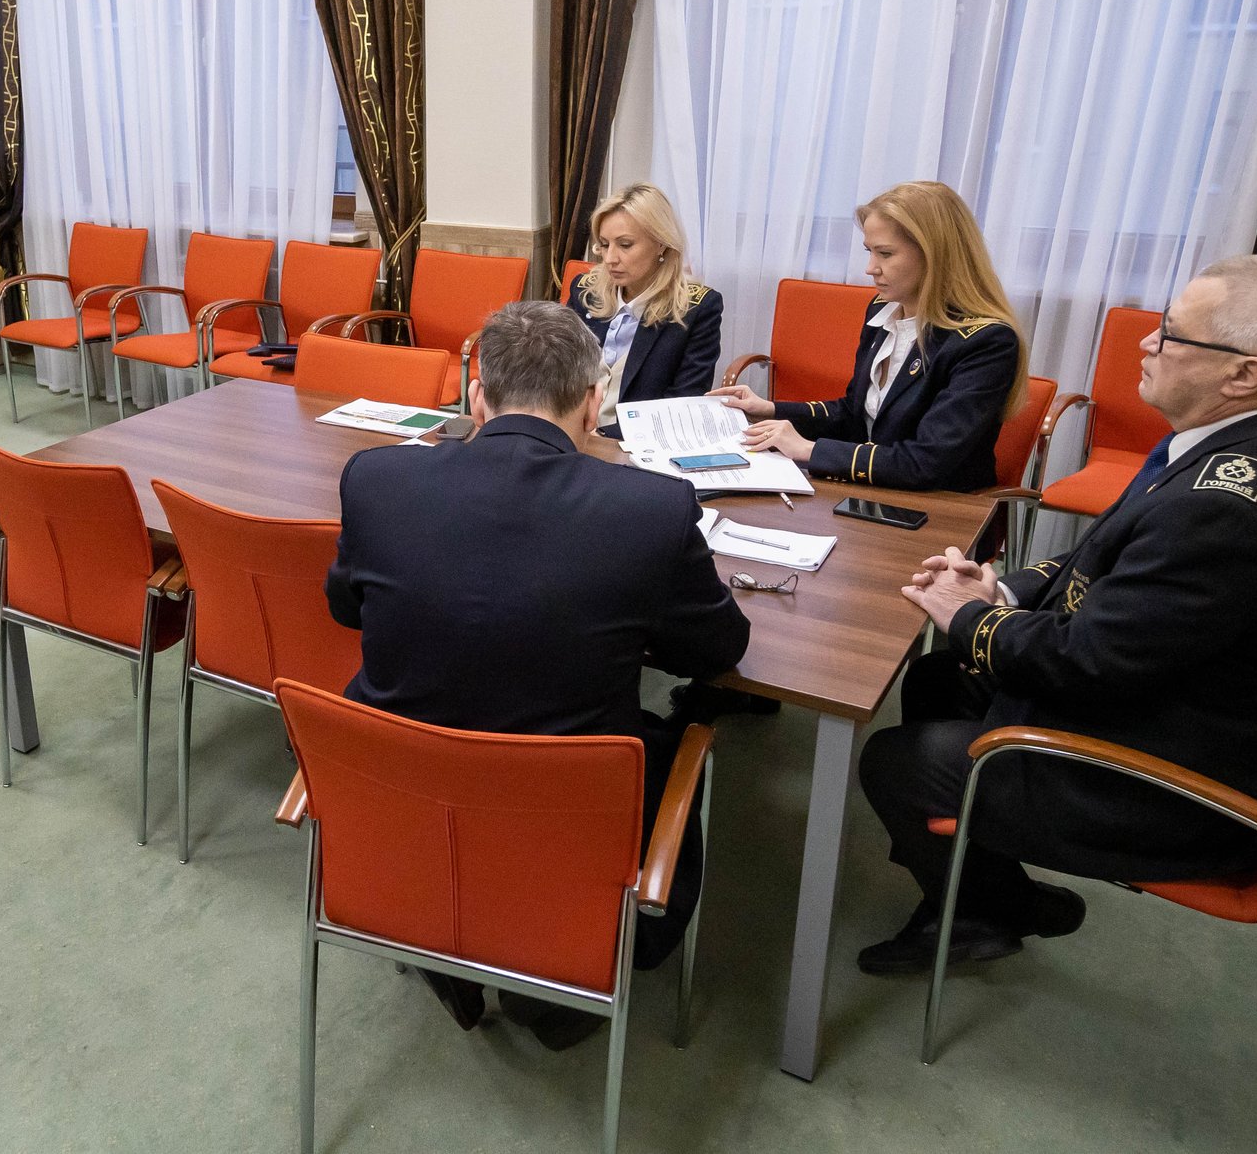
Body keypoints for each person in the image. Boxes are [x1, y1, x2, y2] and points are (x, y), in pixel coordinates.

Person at [853, 254, 1257, 976]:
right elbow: (1103, 558)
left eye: (1171, 333)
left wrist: (966, 617)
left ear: (1244, 374)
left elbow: (1085, 664)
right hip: (1171, 705)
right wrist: (1001, 593)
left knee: (896, 761)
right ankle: (984, 888)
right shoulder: (1238, 446)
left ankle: (985, 910)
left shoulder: (1222, 512)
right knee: (938, 677)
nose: (1146, 342)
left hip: (1164, 779)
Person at [328, 300, 750, 1046]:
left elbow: (345, 608)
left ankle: (446, 930)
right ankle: (558, 991)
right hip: (566, 819)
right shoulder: (652, 508)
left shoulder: (376, 479)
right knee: (674, 741)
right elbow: (717, 650)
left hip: (405, 803)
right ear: (592, 404)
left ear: (476, 397)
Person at [711, 180, 1023, 491]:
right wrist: (770, 409)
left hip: (940, 504)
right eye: (869, 252)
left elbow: (926, 463)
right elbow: (854, 413)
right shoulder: (882, 310)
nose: (870, 268)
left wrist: (808, 449)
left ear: (935, 255)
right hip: (873, 490)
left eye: (885, 254)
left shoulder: (986, 342)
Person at [562, 183, 725, 423]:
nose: (610, 259)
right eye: (604, 245)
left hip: (639, 438)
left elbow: (682, 403)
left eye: (625, 245)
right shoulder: (585, 291)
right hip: (572, 431)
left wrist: (604, 436)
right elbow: (557, 373)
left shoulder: (696, 309)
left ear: (661, 243)